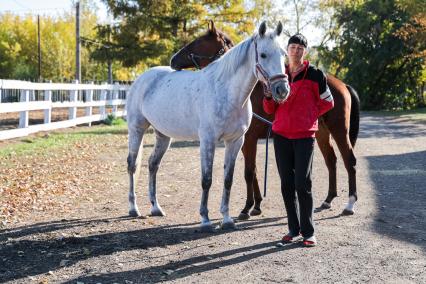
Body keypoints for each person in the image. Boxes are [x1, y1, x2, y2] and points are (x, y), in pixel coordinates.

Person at [263, 33, 334, 247]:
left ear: (305, 51)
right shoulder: (279, 74)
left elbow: (328, 102)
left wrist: (310, 116)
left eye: (300, 48)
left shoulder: (315, 75)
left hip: (304, 136)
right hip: (281, 135)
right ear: (287, 50)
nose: (296, 51)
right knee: (286, 185)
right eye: (293, 47)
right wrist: (267, 96)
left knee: (302, 184)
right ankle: (293, 229)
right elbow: (269, 109)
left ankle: (308, 231)